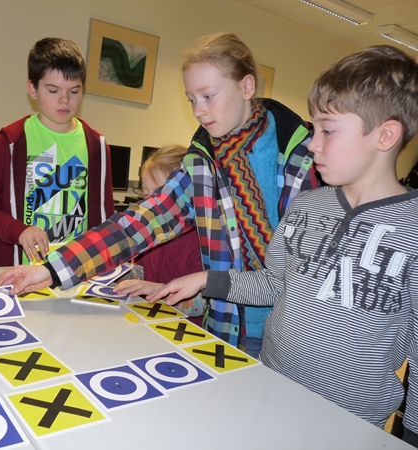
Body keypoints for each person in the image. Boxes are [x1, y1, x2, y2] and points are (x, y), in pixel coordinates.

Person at [147, 45, 418, 442]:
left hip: (350, 423)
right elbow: (274, 284)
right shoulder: (307, 205)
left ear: (385, 135)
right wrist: (207, 279)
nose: (312, 143)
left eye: (327, 131)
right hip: (271, 386)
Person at [0, 32, 322, 357]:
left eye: (208, 96)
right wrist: (51, 270)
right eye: (191, 99)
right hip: (226, 328)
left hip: (290, 337)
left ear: (247, 87)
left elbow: (307, 273)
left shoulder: (307, 157)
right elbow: (137, 225)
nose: (198, 111)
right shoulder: (202, 162)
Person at [0, 37, 114, 267]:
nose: (64, 100)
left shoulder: (97, 146)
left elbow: (105, 217)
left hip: (75, 271)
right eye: (53, 90)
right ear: (32, 89)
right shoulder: (10, 142)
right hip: (20, 270)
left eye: (74, 91)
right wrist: (18, 230)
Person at [113, 144, 205, 323]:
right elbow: (141, 275)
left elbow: (202, 304)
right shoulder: (149, 235)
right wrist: (114, 273)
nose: (148, 205)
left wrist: (157, 289)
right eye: (146, 195)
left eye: (157, 197)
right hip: (150, 321)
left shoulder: (200, 243)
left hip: (185, 329)